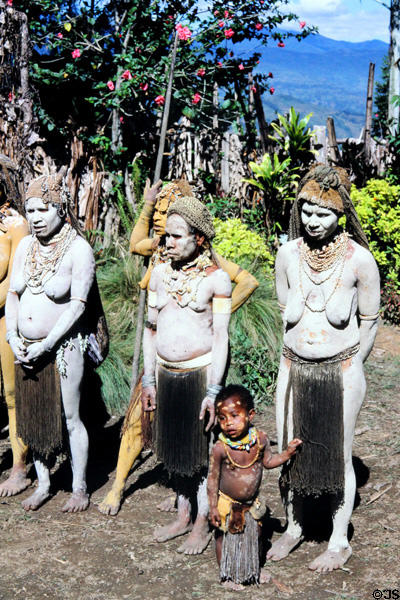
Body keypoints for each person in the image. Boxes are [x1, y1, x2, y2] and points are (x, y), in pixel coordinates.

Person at [98, 179, 259, 517]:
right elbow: (133, 245)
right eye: (158, 212)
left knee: (199, 433)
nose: (159, 218)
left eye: (165, 212)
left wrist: (216, 319)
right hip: (159, 361)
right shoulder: (159, 251)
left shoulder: (208, 262)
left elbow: (247, 281)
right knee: (138, 421)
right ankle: (120, 485)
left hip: (198, 366)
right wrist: (145, 204)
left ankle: (209, 498)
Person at [267, 164, 380, 572]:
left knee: (339, 455)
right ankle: (294, 526)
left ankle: (337, 539)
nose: (313, 222)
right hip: (292, 368)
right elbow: (285, 309)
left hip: (342, 371)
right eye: (307, 212)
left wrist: (351, 366)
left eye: (323, 214)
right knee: (287, 448)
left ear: (341, 215)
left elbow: (369, 321)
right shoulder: (287, 255)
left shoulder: (359, 262)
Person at [6, 171, 105, 512]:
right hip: (25, 346)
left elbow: (78, 305)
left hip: (63, 347)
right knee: (34, 416)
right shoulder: (25, 247)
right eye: (30, 211)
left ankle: (79, 487)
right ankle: (44, 482)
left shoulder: (78, 249)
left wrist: (46, 344)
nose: (34, 218)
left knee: (71, 417)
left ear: (60, 209)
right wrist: (11, 336)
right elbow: (14, 294)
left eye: (42, 210)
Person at [140, 195, 231, 555]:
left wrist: (213, 390)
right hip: (165, 374)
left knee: (203, 452)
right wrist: (149, 379)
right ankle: (182, 513)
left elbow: (221, 336)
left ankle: (201, 523)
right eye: (166, 236)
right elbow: (150, 330)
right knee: (176, 448)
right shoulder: (160, 274)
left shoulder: (217, 280)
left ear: (199, 239)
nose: (169, 243)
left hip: (200, 376)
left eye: (178, 236)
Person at [208, 384, 301, 590]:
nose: (228, 423)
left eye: (234, 415)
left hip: (250, 504)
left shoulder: (260, 440)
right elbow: (213, 479)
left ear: (250, 415)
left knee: (256, 536)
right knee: (223, 536)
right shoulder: (220, 448)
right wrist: (213, 507)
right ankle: (226, 576)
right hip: (226, 503)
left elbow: (268, 462)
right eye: (222, 418)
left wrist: (286, 454)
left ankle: (254, 568)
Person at [0, 155, 30, 497]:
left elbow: (16, 282)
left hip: (8, 317)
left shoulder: (15, 224)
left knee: (12, 394)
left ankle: (20, 466)